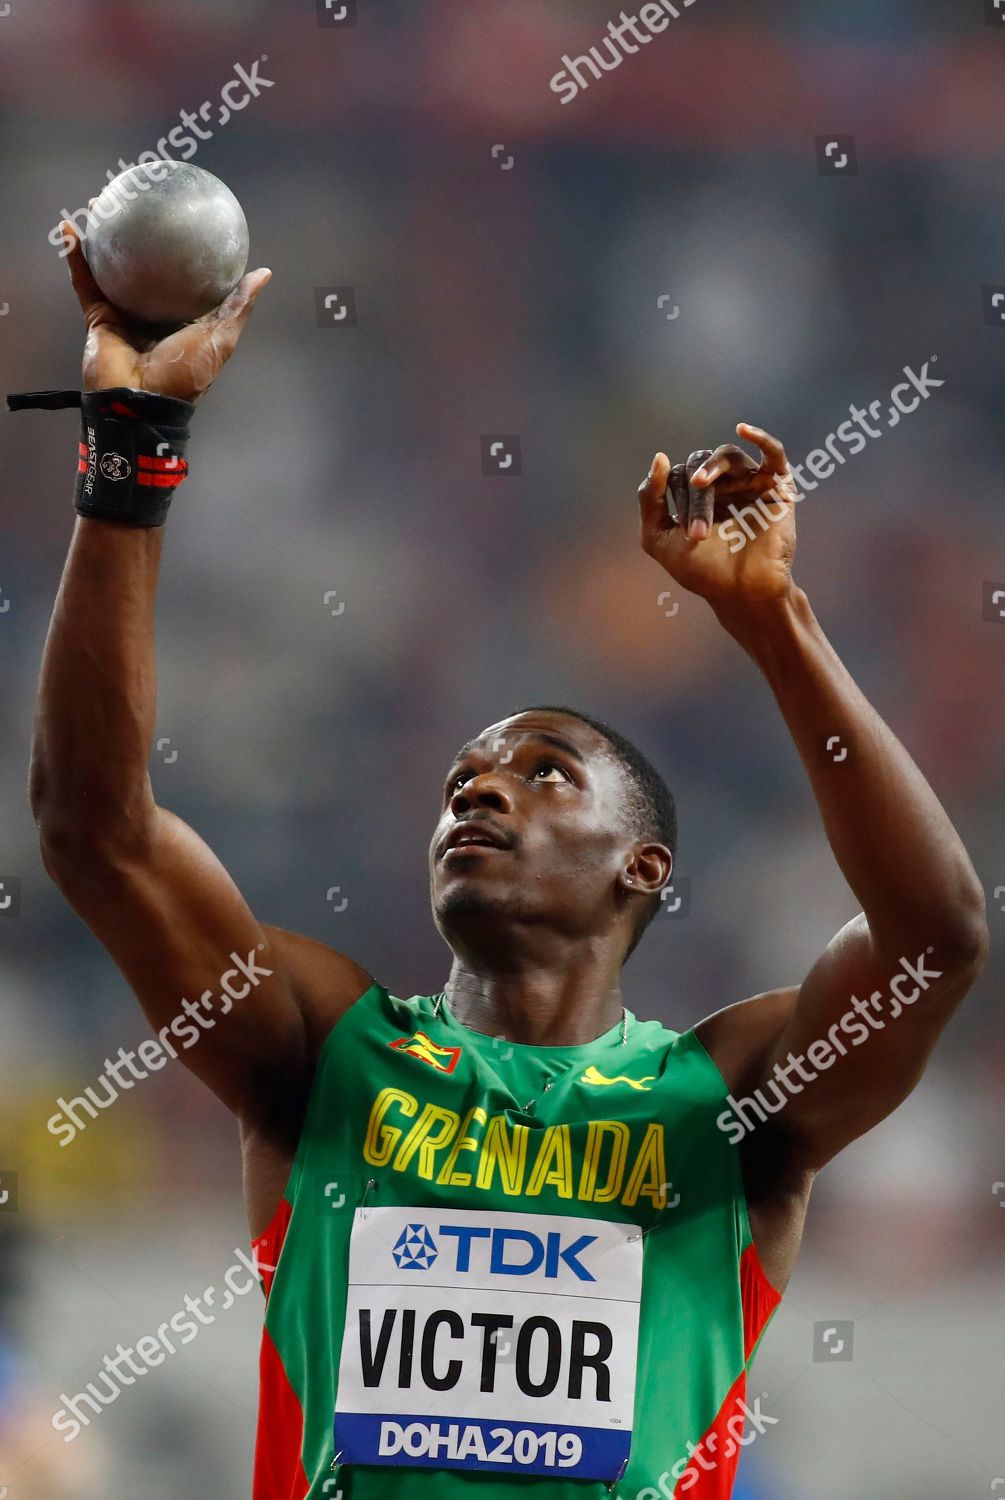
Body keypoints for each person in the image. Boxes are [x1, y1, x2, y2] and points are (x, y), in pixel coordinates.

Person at [25, 223, 988, 1500]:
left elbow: (938, 940)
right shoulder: (327, 1056)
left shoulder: (732, 1102)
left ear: (642, 869)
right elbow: (97, 831)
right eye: (462, 777)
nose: (480, 784)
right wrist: (132, 452)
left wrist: (773, 620)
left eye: (545, 771)